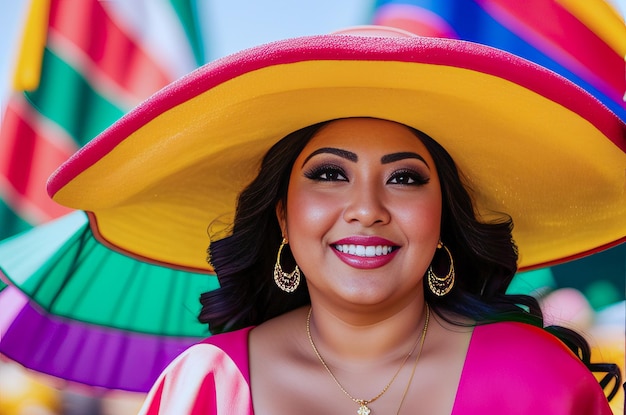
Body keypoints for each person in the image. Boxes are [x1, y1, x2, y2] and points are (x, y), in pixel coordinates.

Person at [46, 26, 624, 414]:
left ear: (445, 218)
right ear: (282, 214)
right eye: (328, 174)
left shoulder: (537, 382)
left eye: (405, 179)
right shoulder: (208, 386)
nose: (368, 209)